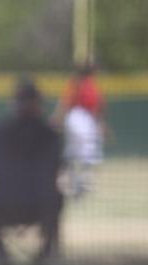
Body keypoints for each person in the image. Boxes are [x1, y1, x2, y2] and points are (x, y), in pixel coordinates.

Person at [0, 77, 64, 265]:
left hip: (5, 205)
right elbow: (57, 170)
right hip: (40, 205)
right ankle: (49, 252)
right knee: (55, 197)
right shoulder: (49, 135)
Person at [54, 61, 107, 198]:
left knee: (77, 152)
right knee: (86, 151)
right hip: (80, 117)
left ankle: (77, 181)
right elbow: (66, 102)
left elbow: (98, 106)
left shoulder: (86, 83)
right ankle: (79, 181)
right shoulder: (79, 83)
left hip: (81, 118)